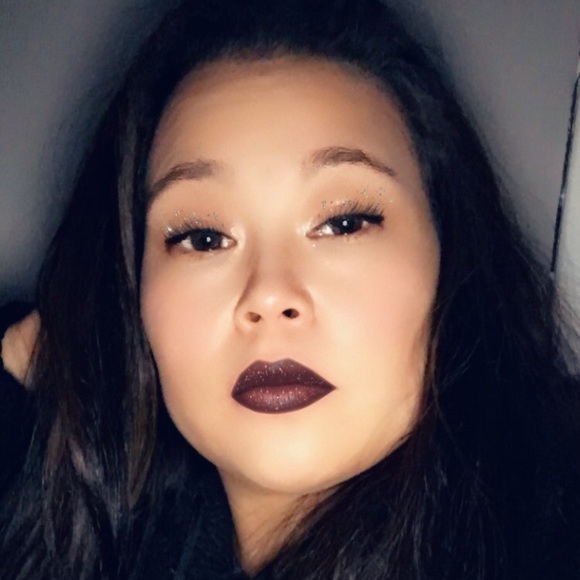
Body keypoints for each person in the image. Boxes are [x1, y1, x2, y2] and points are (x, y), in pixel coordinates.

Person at [1, 0, 579, 578]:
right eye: (204, 237)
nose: (269, 295)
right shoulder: (110, 531)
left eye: (344, 223)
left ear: (452, 252)